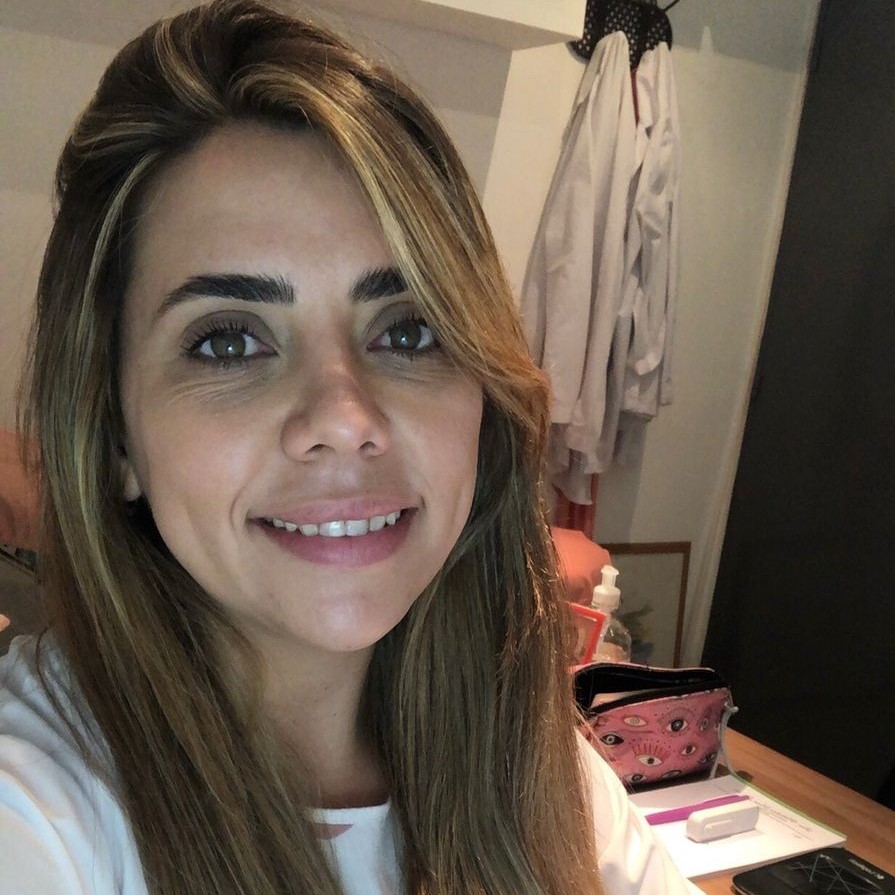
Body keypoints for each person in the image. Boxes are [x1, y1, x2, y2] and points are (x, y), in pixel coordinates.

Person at [0, 2, 699, 893]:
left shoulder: (534, 761)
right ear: (114, 436)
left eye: (408, 329)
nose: (344, 415)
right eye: (227, 340)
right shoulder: (35, 807)